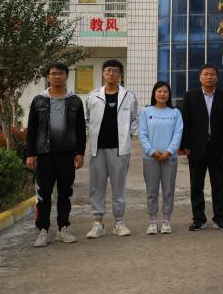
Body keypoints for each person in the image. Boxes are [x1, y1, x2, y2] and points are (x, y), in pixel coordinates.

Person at [25, 62, 86, 247]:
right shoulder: (39, 100)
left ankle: (62, 228)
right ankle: (43, 230)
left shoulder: (75, 101)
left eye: (61, 73)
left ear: (67, 76)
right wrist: (30, 154)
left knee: (65, 193)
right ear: (48, 77)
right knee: (43, 194)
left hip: (67, 154)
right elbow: (32, 129)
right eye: (53, 73)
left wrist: (80, 153)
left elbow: (81, 129)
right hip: (44, 154)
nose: (57, 76)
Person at [84, 59, 139, 238]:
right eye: (108, 70)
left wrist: (127, 135)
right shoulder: (93, 96)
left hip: (119, 150)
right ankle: (97, 223)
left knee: (118, 187)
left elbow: (134, 119)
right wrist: (91, 134)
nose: (111, 73)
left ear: (120, 75)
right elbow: (87, 119)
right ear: (103, 74)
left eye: (115, 71)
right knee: (96, 187)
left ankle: (119, 222)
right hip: (97, 149)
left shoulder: (129, 96)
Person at [179, 63, 223, 231]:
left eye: (212, 74)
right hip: (196, 147)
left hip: (219, 147)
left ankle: (220, 218)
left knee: (219, 185)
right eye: (206, 74)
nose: (209, 77)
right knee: (196, 185)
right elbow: (185, 121)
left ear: (217, 77)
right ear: (200, 77)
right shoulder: (190, 96)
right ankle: (199, 219)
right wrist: (185, 144)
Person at [138, 81, 183, 235]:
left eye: (165, 92)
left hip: (169, 158)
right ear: (154, 94)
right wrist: (151, 151)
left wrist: (169, 152)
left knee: (168, 191)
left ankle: (166, 221)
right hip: (150, 158)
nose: (162, 94)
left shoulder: (175, 113)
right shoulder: (146, 112)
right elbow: (142, 134)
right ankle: (152, 222)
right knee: (152, 191)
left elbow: (178, 134)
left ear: (169, 95)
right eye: (159, 91)